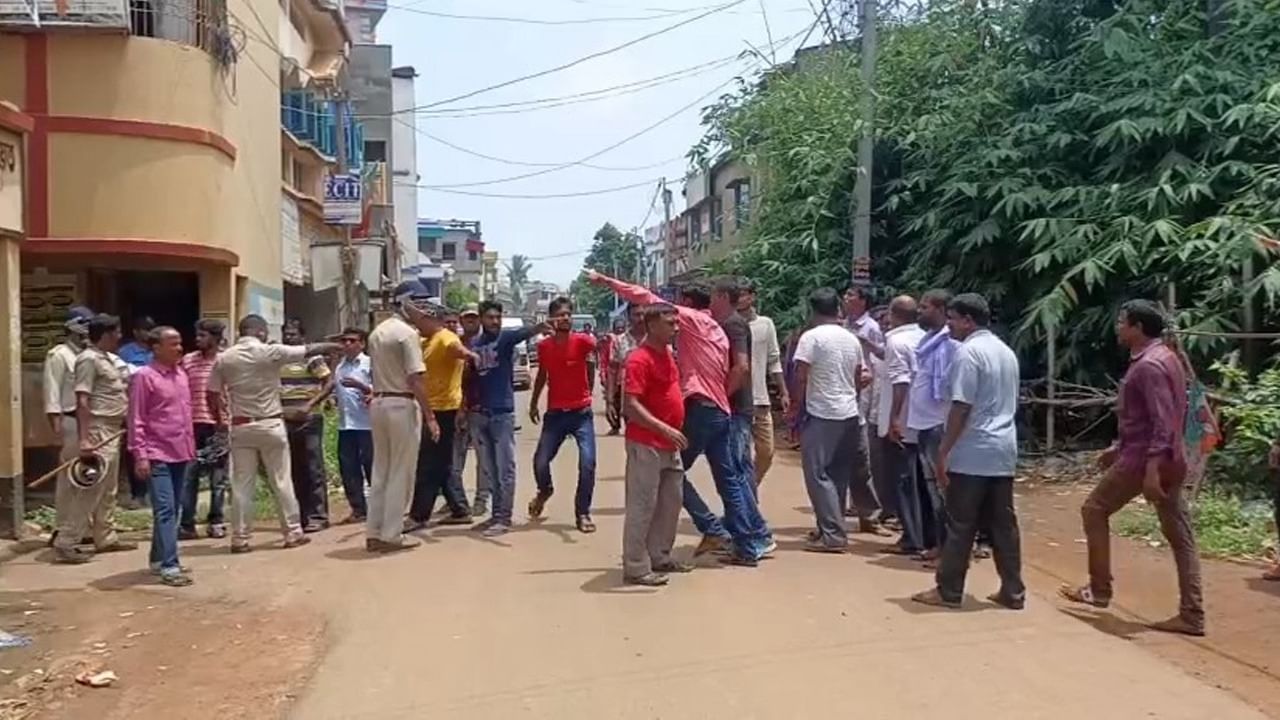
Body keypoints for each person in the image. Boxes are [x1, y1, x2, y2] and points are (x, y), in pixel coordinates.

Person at [586, 270, 770, 566]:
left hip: (703, 410)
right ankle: (747, 545)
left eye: (675, 318)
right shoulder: (717, 330)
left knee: (671, 472)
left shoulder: (694, 324)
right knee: (729, 480)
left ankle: (711, 528)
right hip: (721, 411)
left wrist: (605, 281)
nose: (674, 326)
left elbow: (643, 297)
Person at [1061, 300, 1203, 635]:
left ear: (1138, 328)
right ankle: (1193, 613)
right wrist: (1118, 446)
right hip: (1166, 456)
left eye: (1123, 322)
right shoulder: (1167, 357)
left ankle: (1099, 589)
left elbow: (1161, 421)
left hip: (1144, 461)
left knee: (1094, 509)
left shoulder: (1149, 366)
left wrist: (1151, 469)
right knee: (1181, 536)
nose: (1118, 327)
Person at [912, 293, 1025, 611]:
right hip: (1002, 449)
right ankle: (1013, 590)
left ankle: (948, 590)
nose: (948, 326)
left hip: (973, 449)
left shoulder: (968, 353)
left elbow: (961, 406)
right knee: (1003, 524)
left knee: (960, 523)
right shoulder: (1005, 352)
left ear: (968, 320)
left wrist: (943, 452)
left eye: (952, 319)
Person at [207, 315, 340, 553]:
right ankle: (292, 532)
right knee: (281, 480)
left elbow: (212, 394)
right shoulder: (270, 352)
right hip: (270, 423)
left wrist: (220, 419)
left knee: (241, 485)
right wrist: (334, 345)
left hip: (240, 426)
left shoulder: (224, 358)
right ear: (259, 332)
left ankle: (240, 538)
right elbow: (309, 349)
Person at [53, 314, 138, 563]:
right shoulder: (88, 360)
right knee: (92, 488)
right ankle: (67, 541)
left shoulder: (108, 360)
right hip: (97, 429)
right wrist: (85, 439)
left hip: (112, 429)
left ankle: (106, 536)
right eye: (117, 332)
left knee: (109, 489)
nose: (120, 337)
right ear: (107, 334)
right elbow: (82, 400)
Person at [789, 288, 867, 553]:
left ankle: (833, 535)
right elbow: (859, 376)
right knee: (838, 475)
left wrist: (795, 408)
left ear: (813, 311)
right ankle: (831, 527)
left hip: (822, 413)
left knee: (817, 474)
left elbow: (801, 375)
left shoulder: (810, 338)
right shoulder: (851, 339)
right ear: (838, 310)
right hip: (849, 413)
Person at [364, 283, 438, 553]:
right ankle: (392, 534)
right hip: (401, 403)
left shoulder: (377, 332)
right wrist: (429, 415)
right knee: (401, 471)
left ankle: (374, 531)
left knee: (381, 469)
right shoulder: (408, 334)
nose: (425, 307)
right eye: (420, 301)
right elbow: (415, 379)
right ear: (405, 302)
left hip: (379, 402)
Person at [621, 303, 690, 586]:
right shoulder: (639, 359)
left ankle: (660, 555)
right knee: (642, 505)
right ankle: (636, 566)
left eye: (676, 322)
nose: (676, 328)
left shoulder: (668, 355)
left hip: (669, 443)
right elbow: (631, 404)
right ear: (651, 326)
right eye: (669, 323)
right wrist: (663, 427)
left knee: (670, 502)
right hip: (646, 443)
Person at [468, 301, 547, 537]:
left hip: (502, 413)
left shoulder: (504, 339)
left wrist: (540, 327)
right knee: (490, 470)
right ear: (481, 319)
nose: (494, 321)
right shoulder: (474, 344)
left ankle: (504, 518)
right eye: (490, 317)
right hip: (481, 413)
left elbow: (523, 332)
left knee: (505, 468)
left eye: (498, 317)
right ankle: (494, 515)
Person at [129, 326, 196, 587]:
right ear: (156, 348)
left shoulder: (181, 374)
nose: (179, 348)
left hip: (181, 451)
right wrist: (140, 455)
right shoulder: (144, 377)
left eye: (180, 343)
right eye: (173, 344)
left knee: (172, 509)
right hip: (157, 453)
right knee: (166, 510)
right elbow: (136, 419)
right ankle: (170, 565)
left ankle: (158, 559)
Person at [529, 297, 599, 533]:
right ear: (551, 318)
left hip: (581, 413)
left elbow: (597, 356)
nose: (565, 318)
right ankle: (545, 489)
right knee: (540, 461)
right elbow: (542, 375)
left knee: (588, 463)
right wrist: (533, 403)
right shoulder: (544, 346)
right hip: (556, 414)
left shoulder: (583, 342)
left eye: (569, 314)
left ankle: (583, 513)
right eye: (560, 314)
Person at [408, 302, 479, 530]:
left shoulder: (445, 337)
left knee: (428, 463)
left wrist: (470, 355)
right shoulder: (424, 340)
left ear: (432, 319)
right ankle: (460, 509)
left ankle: (419, 515)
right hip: (430, 407)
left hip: (443, 410)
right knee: (443, 462)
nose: (416, 323)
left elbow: (458, 350)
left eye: (420, 319)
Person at [43, 305, 94, 548]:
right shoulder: (59, 354)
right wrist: (56, 426)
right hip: (70, 420)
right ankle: (61, 527)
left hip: (89, 421)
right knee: (69, 476)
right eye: (82, 324)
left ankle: (82, 527)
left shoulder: (89, 355)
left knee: (87, 476)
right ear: (71, 327)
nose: (85, 331)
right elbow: (52, 392)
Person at [877, 296, 925, 556]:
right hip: (922, 420)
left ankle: (910, 536)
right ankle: (922, 534)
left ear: (893, 315)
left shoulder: (895, 340)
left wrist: (894, 418)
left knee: (902, 481)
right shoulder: (924, 337)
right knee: (918, 480)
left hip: (902, 422)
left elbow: (900, 381)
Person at [280, 319, 333, 533]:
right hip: (285, 419)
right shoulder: (279, 357)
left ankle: (318, 516)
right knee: (293, 469)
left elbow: (330, 382)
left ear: (302, 337)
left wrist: (309, 405)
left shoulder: (312, 357)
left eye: (293, 334)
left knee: (313, 467)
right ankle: (301, 515)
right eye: (286, 334)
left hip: (309, 419)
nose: (289, 338)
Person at [840, 286, 885, 529]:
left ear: (863, 301)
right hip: (844, 386)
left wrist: (866, 341)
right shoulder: (842, 323)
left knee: (859, 447)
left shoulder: (871, 328)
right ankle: (852, 504)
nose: (846, 299)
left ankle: (867, 510)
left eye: (851, 296)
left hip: (863, 389)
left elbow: (881, 356)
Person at [179, 319, 228, 540]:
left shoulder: (226, 361)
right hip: (191, 426)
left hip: (218, 425)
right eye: (197, 335)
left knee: (218, 478)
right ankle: (187, 524)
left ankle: (216, 521)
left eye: (203, 336)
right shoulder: (187, 361)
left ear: (215, 338)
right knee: (190, 476)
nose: (198, 340)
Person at [738, 279, 789, 486]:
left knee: (766, 452)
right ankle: (743, 503)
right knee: (739, 455)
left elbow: (773, 360)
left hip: (760, 399)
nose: (740, 298)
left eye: (743, 294)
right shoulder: (727, 324)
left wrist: (783, 391)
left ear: (752, 296)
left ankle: (749, 489)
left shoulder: (765, 324)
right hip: (737, 401)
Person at [451, 304, 491, 517]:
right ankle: (457, 501)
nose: (471, 321)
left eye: (474, 318)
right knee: (454, 461)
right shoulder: (453, 344)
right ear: (461, 320)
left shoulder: (486, 345)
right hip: (454, 409)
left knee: (483, 459)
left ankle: (481, 499)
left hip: (478, 407)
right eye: (467, 318)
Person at [331, 327, 373, 523]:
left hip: (367, 425)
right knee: (349, 469)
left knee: (372, 467)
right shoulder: (340, 367)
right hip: (346, 425)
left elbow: (380, 389)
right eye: (344, 341)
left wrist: (362, 387)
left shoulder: (369, 364)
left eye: (352, 340)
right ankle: (358, 509)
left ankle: (380, 507)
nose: (347, 344)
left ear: (362, 344)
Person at [606, 304, 646, 437]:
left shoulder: (658, 339)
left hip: (656, 399)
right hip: (630, 400)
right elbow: (612, 371)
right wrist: (610, 401)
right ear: (629, 317)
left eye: (643, 314)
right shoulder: (620, 341)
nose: (641, 318)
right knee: (635, 440)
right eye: (636, 315)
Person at [602, 317, 626, 435]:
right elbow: (605, 358)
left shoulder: (627, 340)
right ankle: (615, 426)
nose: (620, 331)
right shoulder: (609, 340)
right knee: (613, 402)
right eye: (618, 329)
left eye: (622, 329)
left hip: (626, 378)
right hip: (613, 375)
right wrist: (603, 373)